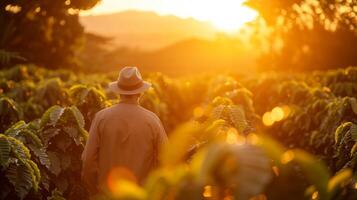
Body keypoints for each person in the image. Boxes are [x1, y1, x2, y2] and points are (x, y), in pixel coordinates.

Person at [81, 66, 168, 195]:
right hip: (141, 195)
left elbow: (88, 160)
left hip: (108, 194)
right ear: (141, 92)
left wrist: (95, 191)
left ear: (118, 91)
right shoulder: (152, 120)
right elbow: (166, 160)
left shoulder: (101, 117)